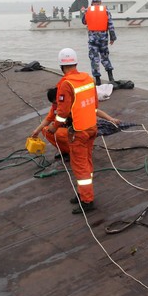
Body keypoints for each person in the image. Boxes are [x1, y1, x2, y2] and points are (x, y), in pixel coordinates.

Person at [48, 48, 99, 214]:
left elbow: (62, 113)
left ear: (62, 66)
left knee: (80, 167)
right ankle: (83, 193)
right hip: (91, 127)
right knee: (87, 163)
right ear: (75, 62)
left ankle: (87, 200)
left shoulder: (66, 84)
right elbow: (95, 105)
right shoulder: (88, 79)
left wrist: (54, 127)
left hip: (78, 132)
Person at [31, 86, 120, 160]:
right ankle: (67, 152)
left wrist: (111, 119)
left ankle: (78, 152)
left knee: (58, 133)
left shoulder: (75, 103)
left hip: (82, 130)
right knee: (46, 130)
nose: (57, 104)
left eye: (57, 102)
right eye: (54, 103)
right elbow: (48, 119)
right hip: (70, 130)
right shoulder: (56, 107)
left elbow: (95, 111)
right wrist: (36, 131)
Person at [80, 0, 117, 85]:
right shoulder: (106, 10)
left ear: (92, 2)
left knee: (94, 58)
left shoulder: (88, 10)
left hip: (93, 39)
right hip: (103, 38)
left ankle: (98, 80)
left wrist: (84, 12)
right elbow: (110, 25)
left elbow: (84, 22)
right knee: (105, 57)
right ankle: (111, 77)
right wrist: (112, 37)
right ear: (100, 2)